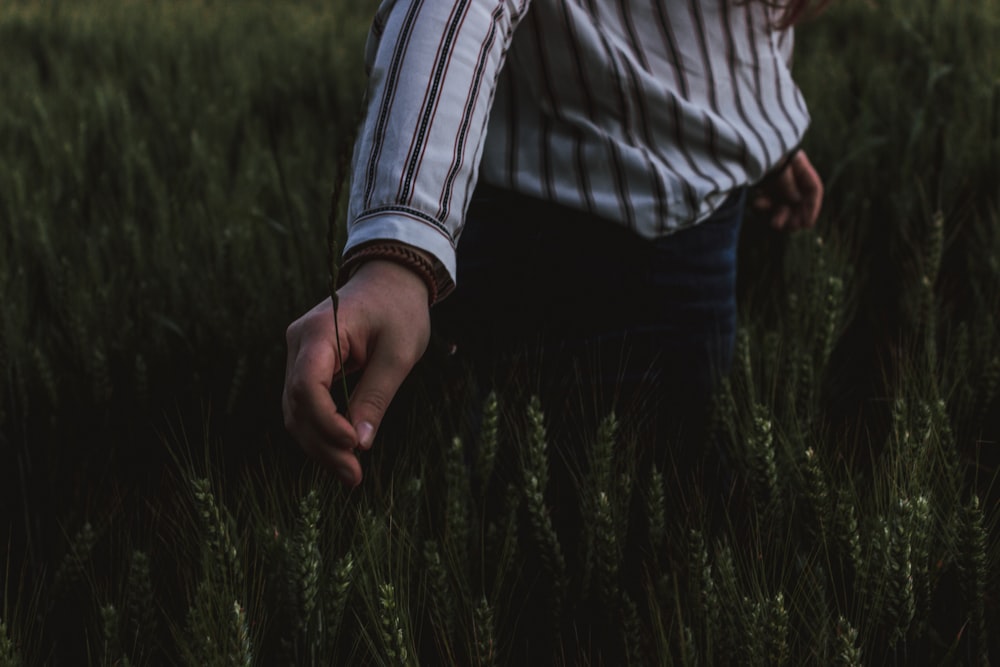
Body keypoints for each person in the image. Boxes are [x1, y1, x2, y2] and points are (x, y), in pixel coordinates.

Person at [283, 0, 825, 487]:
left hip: (679, 225)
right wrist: (397, 255)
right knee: (584, 520)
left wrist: (757, 136)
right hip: (583, 248)